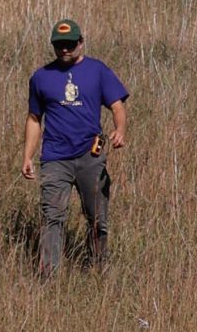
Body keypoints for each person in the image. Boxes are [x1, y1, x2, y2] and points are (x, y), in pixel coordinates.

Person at [20, 17, 129, 276]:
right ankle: (49, 277)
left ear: (81, 43)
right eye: (60, 45)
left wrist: (120, 130)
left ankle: (99, 268)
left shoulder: (98, 71)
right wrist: (27, 156)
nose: (65, 50)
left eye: (70, 44)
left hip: (90, 156)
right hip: (55, 158)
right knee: (52, 217)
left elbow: (117, 105)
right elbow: (35, 118)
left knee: (97, 218)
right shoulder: (41, 77)